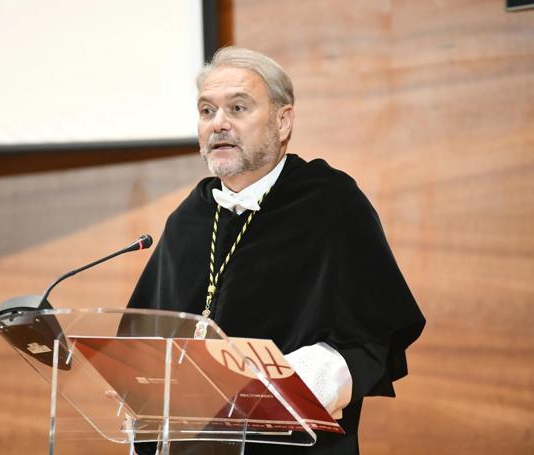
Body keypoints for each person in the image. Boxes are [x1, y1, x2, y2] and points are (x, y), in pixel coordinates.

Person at [127, 47, 425, 454]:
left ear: (283, 121)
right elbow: (145, 351)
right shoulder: (188, 220)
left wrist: (263, 389)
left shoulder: (330, 204)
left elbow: (368, 341)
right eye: (206, 111)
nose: (219, 124)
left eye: (237, 107)